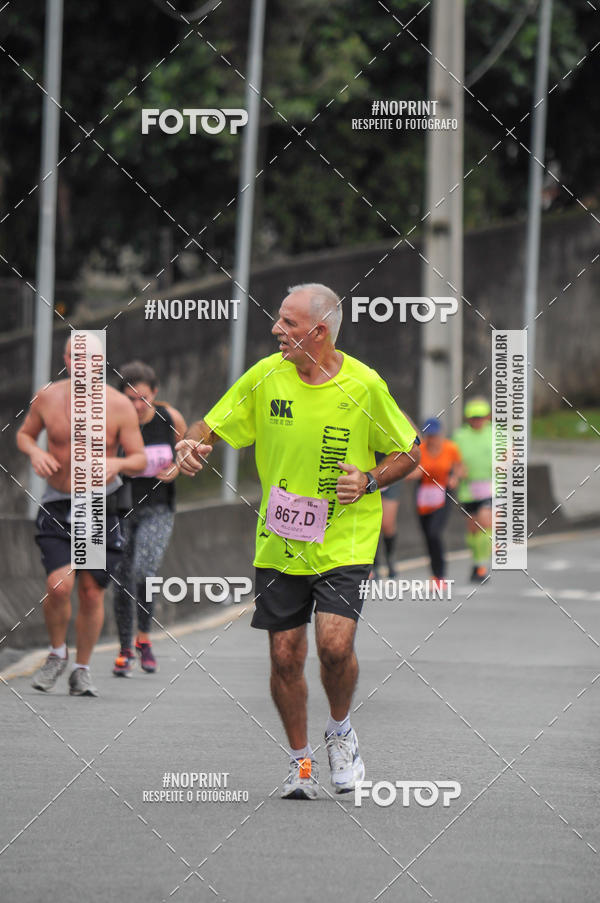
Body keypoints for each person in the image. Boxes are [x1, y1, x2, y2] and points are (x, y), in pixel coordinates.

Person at [175, 283, 420, 800]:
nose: (275, 331)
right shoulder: (266, 376)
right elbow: (212, 424)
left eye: (287, 323)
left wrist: (371, 480)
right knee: (285, 655)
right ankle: (299, 762)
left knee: (334, 647)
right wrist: (192, 445)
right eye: (277, 321)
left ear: (319, 331)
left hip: (344, 541)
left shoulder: (364, 384)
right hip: (280, 541)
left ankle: (340, 731)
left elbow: (410, 451)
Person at [16, 336, 146, 696]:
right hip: (58, 502)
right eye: (74, 356)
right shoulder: (48, 397)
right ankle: (57, 652)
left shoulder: (118, 405)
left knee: (90, 592)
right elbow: (25, 435)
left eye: (88, 357)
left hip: (97, 506)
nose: (81, 362)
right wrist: (34, 454)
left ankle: (82, 669)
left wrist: (116, 462)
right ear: (66, 358)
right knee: (60, 585)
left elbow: (139, 458)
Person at [112, 361, 187, 677]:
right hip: (121, 508)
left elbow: (186, 453)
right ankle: (126, 647)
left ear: (154, 395)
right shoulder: (113, 423)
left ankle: (145, 638)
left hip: (158, 507)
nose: (136, 406)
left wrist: (176, 468)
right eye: (129, 399)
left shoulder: (170, 418)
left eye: (142, 398)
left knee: (145, 568)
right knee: (122, 575)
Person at [405, 417, 463, 587]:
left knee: (434, 533)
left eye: (434, 435)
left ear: (441, 434)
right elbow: (412, 473)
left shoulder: (450, 448)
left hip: (443, 494)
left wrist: (455, 477)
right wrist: (414, 474)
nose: (432, 439)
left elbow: (460, 467)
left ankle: (440, 574)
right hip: (423, 495)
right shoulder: (420, 450)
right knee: (427, 535)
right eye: (428, 435)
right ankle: (435, 575)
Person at [452, 398, 493, 582]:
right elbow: (454, 460)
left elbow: (510, 456)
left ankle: (482, 565)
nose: (477, 420)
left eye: (481, 417)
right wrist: (457, 471)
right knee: (473, 531)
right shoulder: (460, 436)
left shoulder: (496, 435)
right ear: (468, 418)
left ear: (488, 417)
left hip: (491, 486)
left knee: (486, 523)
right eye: (474, 417)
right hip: (468, 489)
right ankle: (477, 562)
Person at [373, 452, 402, 578]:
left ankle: (390, 558)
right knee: (373, 523)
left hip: (389, 470)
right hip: (368, 470)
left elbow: (414, 437)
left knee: (387, 524)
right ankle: (373, 565)